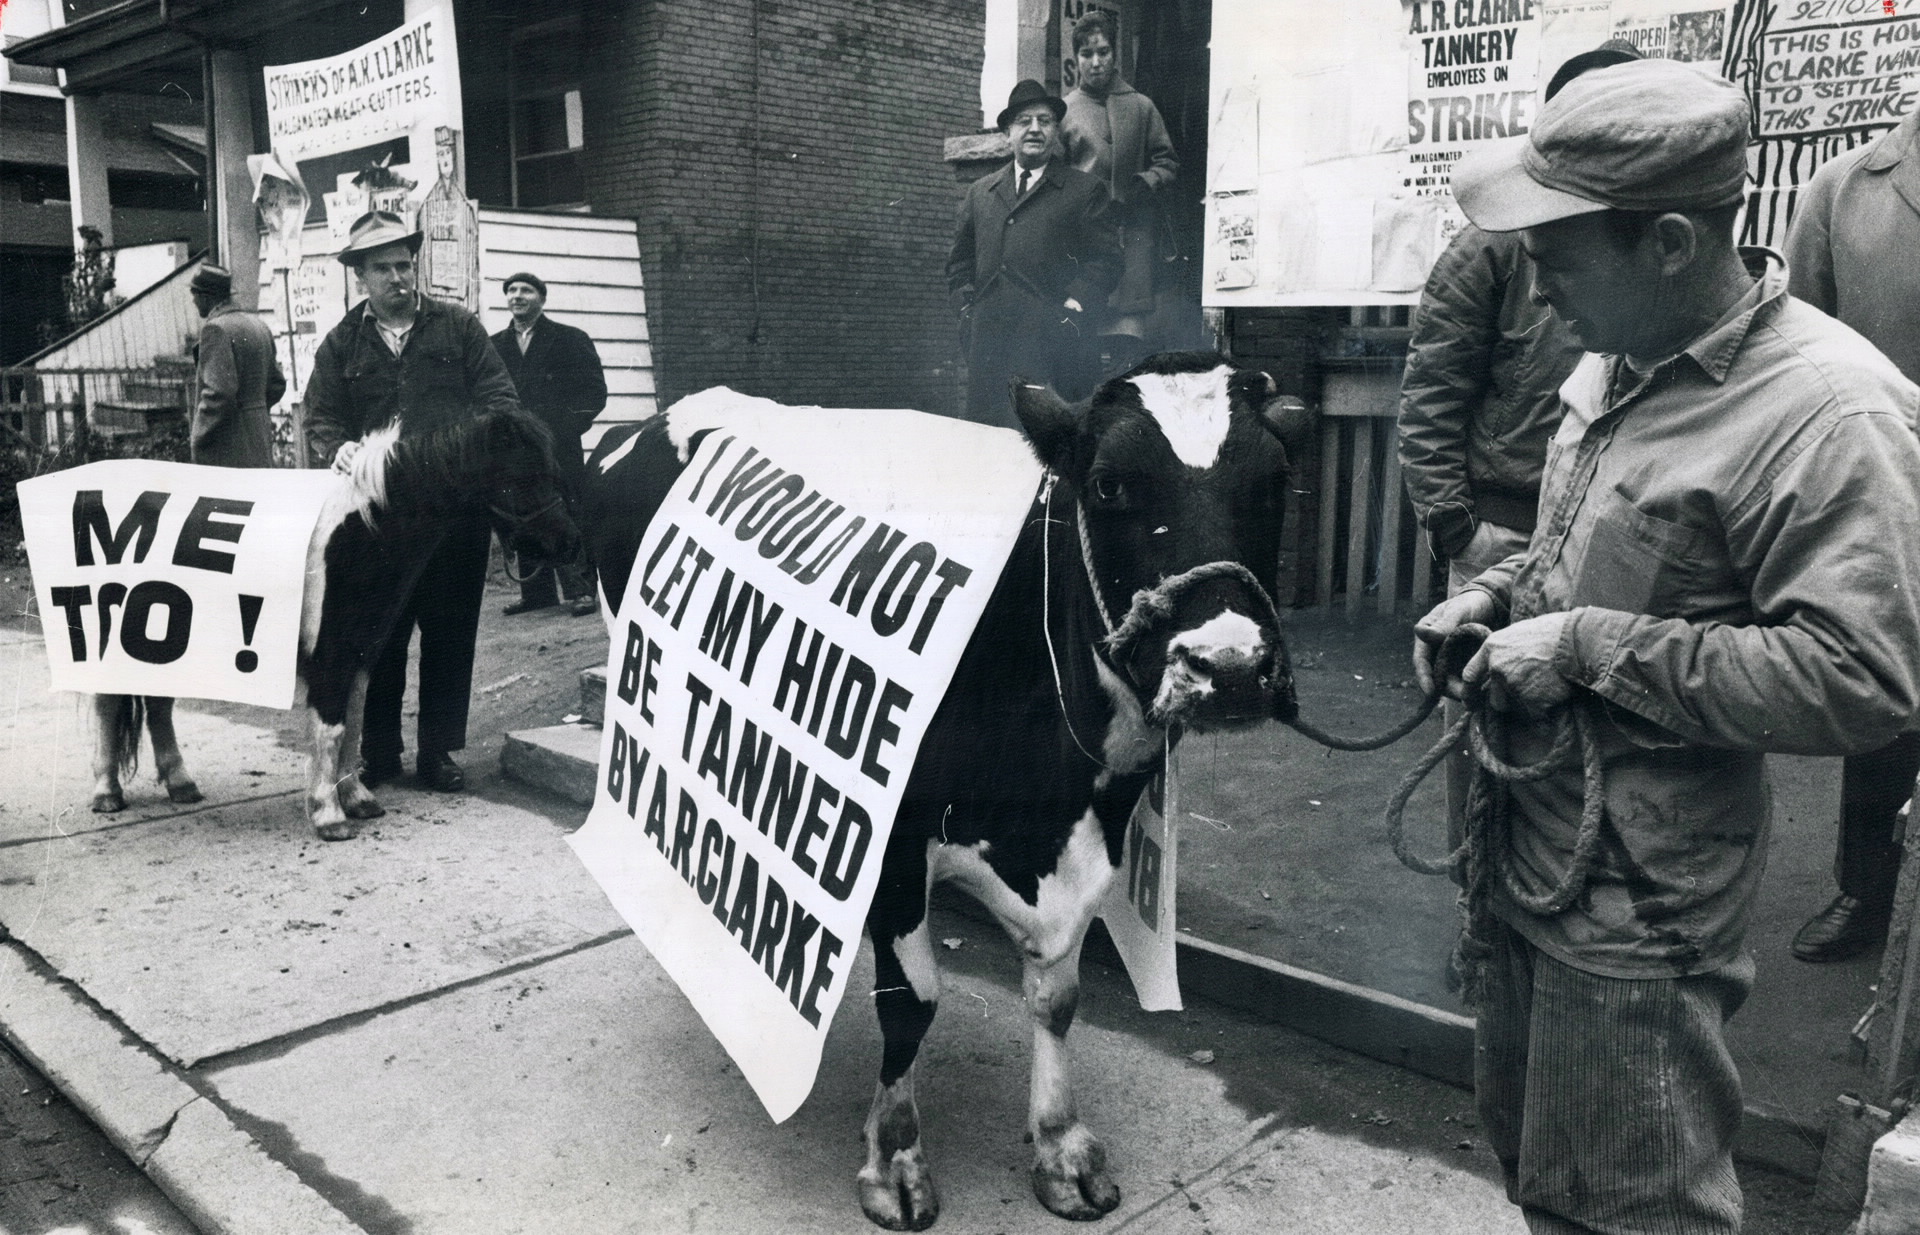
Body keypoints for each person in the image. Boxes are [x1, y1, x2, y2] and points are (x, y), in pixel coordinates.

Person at [1415, 60, 1920, 1233]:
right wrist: (1495, 594)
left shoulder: (1833, 412)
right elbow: (1578, 547)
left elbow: (1866, 680)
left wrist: (1583, 647)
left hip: (1640, 914)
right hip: (1528, 860)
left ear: (1673, 244)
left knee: (1634, 1208)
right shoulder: (1619, 349)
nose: (1538, 291)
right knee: (1545, 1181)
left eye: (1556, 258)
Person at [1398, 41, 1638, 863]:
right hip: (1502, 530)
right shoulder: (1492, 244)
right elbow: (1431, 392)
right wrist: (1456, 526)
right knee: (1480, 731)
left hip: (1608, 529)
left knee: (1584, 729)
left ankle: (1560, 888)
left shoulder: (1639, 252)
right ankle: (1476, 887)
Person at [303, 211, 527, 793]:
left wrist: (453, 453)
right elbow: (320, 416)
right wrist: (337, 447)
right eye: (383, 268)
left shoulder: (458, 328)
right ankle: (378, 752)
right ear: (360, 276)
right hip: (378, 523)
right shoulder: (342, 343)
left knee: (450, 633)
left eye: (405, 264)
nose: (398, 277)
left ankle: (438, 751)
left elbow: (500, 401)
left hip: (455, 517)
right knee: (380, 634)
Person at [1782, 105, 1920, 963]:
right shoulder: (1842, 189)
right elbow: (1795, 354)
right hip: (1889, 486)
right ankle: (1868, 888)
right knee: (1890, 693)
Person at [947, 79, 1120, 426]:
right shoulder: (981, 193)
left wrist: (1074, 305)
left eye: (1045, 121)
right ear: (1007, 134)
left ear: (1056, 132)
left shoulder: (1084, 190)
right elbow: (959, 263)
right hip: (989, 353)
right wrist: (968, 311)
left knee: (1047, 444)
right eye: (1024, 121)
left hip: (1054, 353)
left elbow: (1107, 260)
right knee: (987, 442)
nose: (1035, 129)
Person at [1060, 10, 1179, 374]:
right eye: (1086, 54)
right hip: (1083, 243)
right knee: (1083, 343)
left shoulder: (1142, 107)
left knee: (1129, 347)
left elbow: (1168, 162)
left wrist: (1148, 181)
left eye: (1103, 52)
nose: (1096, 62)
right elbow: (1055, 178)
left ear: (1115, 54)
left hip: (1133, 241)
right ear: (1076, 58)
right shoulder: (1065, 111)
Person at [490, 271, 606, 618]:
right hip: (514, 449)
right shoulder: (494, 345)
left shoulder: (570, 339)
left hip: (559, 445)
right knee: (522, 512)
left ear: (542, 298)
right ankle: (537, 594)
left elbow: (593, 393)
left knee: (566, 509)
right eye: (511, 290)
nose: (517, 296)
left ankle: (581, 590)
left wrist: (565, 429)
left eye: (526, 290)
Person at [188, 264, 286, 468]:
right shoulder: (259, 325)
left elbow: (219, 393)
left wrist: (198, 435)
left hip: (229, 443)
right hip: (259, 437)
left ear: (205, 297)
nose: (193, 302)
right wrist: (254, 410)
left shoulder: (215, 329)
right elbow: (277, 384)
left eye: (194, 295)